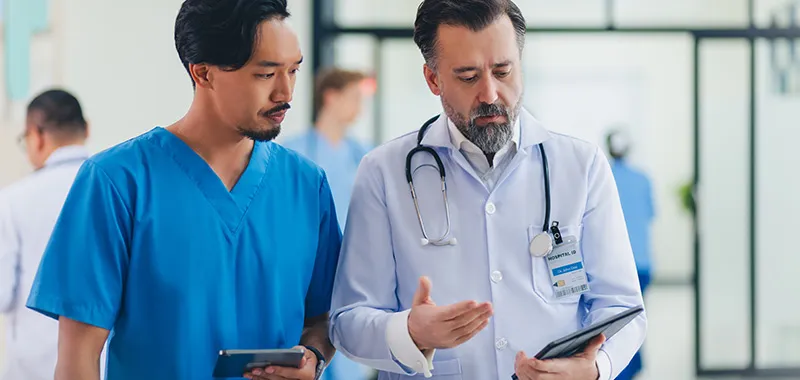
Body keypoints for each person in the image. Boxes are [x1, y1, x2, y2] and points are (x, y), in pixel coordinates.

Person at [328, 1, 647, 379]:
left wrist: (595, 368)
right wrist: (410, 331)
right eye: (467, 76)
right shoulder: (384, 172)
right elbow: (346, 323)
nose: (491, 93)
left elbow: (622, 306)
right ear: (433, 80)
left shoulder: (581, 166)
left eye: (503, 71)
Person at [24, 1, 341, 379]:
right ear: (203, 73)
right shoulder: (117, 182)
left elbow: (324, 319)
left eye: (293, 70)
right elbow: (78, 359)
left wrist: (313, 357)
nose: (285, 91)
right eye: (265, 74)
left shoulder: (307, 185)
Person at [0, 89, 92, 380]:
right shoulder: (114, 189)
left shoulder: (14, 200)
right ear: (86, 129)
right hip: (98, 365)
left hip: (34, 368)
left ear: (36, 135)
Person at [281, 67, 373, 229]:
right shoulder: (292, 152)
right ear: (331, 97)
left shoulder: (364, 153)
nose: (360, 107)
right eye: (355, 98)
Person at [605, 129, 655, 380]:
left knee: (614, 318)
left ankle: (619, 368)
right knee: (635, 315)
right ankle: (634, 367)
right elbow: (650, 214)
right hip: (643, 262)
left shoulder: (602, 175)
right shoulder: (643, 179)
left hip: (611, 264)